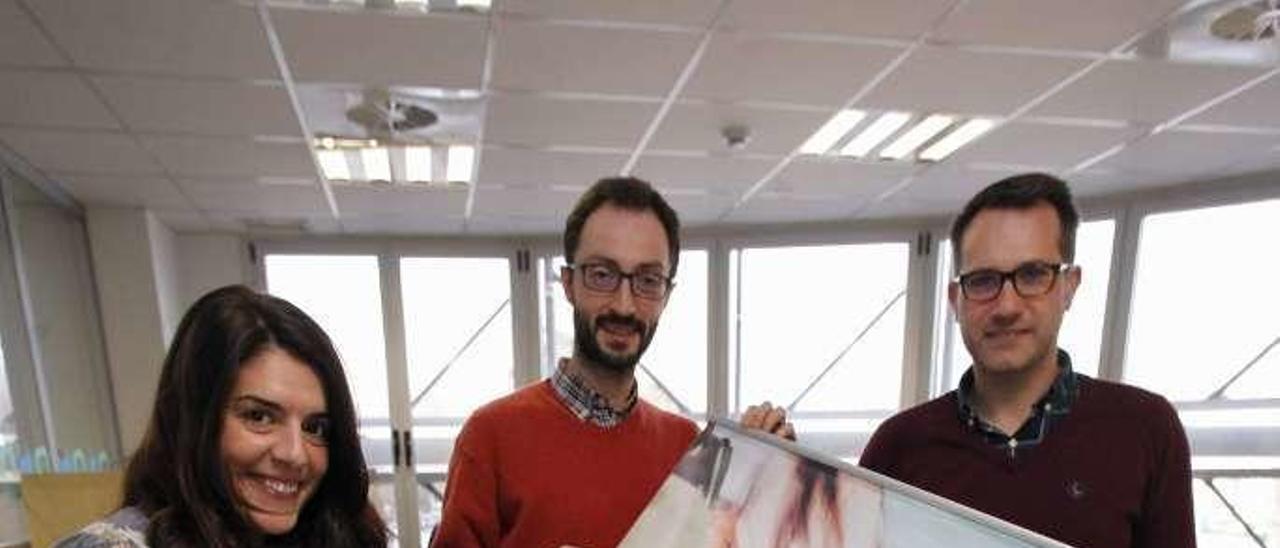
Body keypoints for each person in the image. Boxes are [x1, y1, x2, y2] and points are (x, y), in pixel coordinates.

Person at [433, 177, 792, 547]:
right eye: (602, 275)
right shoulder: (490, 437)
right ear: (569, 283)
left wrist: (769, 468)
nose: (624, 305)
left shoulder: (687, 448)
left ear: (666, 294)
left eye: (648, 280)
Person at [859, 173, 1194, 547]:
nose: (1006, 307)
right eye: (984, 280)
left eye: (1033, 275)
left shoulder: (1145, 430)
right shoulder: (898, 447)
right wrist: (781, 465)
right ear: (956, 299)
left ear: (1069, 286)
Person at [58, 285, 387, 547]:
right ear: (193, 421)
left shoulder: (315, 533)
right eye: (259, 417)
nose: (294, 454)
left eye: (314, 427)